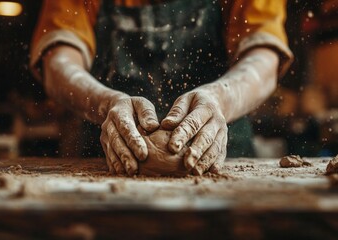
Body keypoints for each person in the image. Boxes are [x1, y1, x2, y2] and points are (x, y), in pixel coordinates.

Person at [30, 0, 293, 176]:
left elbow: (263, 56)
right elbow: (59, 59)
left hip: (222, 155)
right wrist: (105, 102)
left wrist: (221, 97)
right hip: (102, 157)